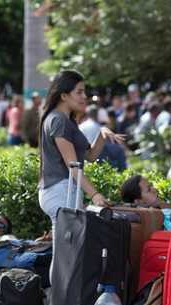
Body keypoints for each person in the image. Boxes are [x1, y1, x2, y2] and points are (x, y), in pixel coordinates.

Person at [38, 69, 123, 232]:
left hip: (64, 190)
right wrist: (95, 195)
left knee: (67, 255)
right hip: (60, 190)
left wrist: (102, 134)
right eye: (79, 92)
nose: (84, 97)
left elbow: (90, 156)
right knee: (66, 255)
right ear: (64, 96)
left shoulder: (65, 120)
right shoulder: (58, 120)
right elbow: (73, 166)